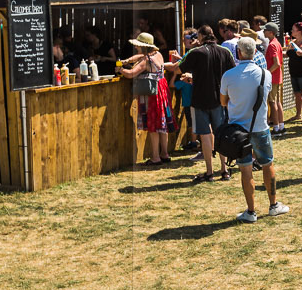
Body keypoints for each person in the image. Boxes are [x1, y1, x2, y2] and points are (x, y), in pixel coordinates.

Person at [219, 37, 290, 223]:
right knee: (268, 164)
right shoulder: (265, 74)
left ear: (239, 53)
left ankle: (251, 212)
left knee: (246, 169)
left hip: (238, 130)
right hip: (260, 127)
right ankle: (274, 205)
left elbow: (223, 102)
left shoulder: (228, 75)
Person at [168, 25, 235, 182]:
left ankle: (210, 172)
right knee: (220, 134)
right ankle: (224, 171)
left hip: (199, 100)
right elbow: (232, 71)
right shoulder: (224, 51)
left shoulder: (195, 52)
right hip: (219, 99)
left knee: (205, 136)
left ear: (201, 36)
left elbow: (178, 70)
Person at [119, 32, 173, 165]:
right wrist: (127, 61)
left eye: (138, 46)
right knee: (162, 124)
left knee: (153, 125)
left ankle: (155, 157)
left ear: (143, 47)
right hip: (161, 90)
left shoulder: (145, 61)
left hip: (151, 93)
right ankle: (164, 154)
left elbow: (131, 74)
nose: (137, 48)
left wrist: (120, 69)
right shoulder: (157, 55)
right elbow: (139, 56)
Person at [285, 22, 302, 123]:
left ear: (299, 31)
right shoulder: (292, 42)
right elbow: (288, 54)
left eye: (293, 30)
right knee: (297, 94)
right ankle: (298, 114)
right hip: (293, 71)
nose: (291, 31)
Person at [262, 22, 285, 135]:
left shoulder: (271, 45)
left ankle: (276, 128)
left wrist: (267, 73)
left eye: (265, 30)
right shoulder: (277, 42)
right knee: (277, 102)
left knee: (272, 102)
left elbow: (276, 63)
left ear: (271, 32)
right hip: (277, 77)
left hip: (273, 78)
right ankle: (281, 126)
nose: (263, 32)